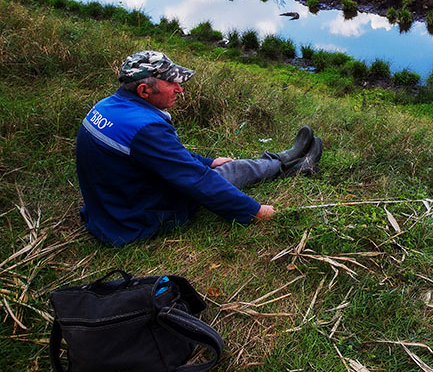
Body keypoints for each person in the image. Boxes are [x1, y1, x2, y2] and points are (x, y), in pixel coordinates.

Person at [76, 50, 322, 246]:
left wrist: (208, 161)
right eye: (171, 83)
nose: (179, 89)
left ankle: (292, 164)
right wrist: (255, 211)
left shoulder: (106, 107)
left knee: (215, 168)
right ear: (144, 90)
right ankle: (286, 161)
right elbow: (198, 181)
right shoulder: (145, 128)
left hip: (109, 211)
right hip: (134, 221)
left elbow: (162, 157)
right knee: (231, 172)